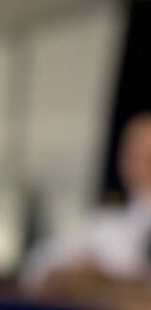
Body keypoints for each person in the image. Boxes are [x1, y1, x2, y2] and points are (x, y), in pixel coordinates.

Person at [22, 113, 151, 291]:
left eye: (149, 158)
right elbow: (37, 267)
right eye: (136, 158)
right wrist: (76, 274)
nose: (143, 168)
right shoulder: (105, 226)